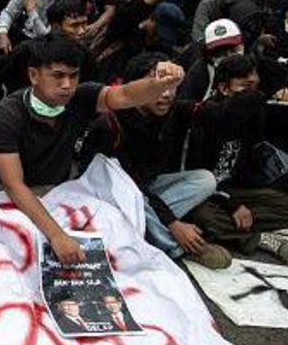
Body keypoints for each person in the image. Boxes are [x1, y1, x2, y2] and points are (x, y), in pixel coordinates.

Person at [0, 35, 186, 264]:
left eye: (73, 76)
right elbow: (13, 184)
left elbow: (124, 95)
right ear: (34, 75)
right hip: (9, 198)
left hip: (60, 192)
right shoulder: (7, 114)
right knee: (24, 250)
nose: (67, 85)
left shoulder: (81, 97)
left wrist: (159, 84)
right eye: (58, 76)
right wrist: (56, 236)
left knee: (116, 228)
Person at [83, 53, 234, 269]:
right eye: (157, 86)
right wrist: (173, 224)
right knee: (136, 198)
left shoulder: (173, 112)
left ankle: (144, 230)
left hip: (146, 191)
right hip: (108, 198)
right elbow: (129, 186)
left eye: (171, 86)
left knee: (205, 180)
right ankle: (177, 246)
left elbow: (213, 113)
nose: (166, 95)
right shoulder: (111, 124)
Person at [182, 55, 288, 262]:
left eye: (254, 87)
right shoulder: (206, 117)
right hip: (202, 192)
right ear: (224, 89)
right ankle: (254, 238)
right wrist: (232, 204)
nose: (252, 96)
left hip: (232, 189)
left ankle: (226, 231)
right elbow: (194, 176)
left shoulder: (252, 116)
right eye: (245, 87)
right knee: (203, 216)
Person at [178, 18, 246, 100]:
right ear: (209, 54)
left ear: (242, 45)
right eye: (220, 52)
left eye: (233, 50)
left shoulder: (255, 65)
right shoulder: (200, 72)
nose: (229, 57)